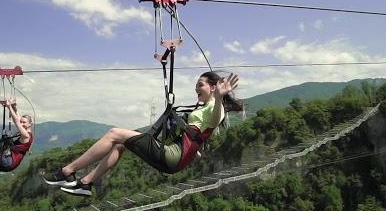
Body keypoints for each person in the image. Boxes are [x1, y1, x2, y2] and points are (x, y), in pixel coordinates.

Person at [43, 71, 241, 196]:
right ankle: (86, 183)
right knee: (121, 144)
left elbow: (215, 119)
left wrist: (218, 97)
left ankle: (66, 171)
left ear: (213, 88)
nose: (196, 88)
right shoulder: (204, 108)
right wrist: (193, 151)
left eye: (200, 84)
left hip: (172, 157)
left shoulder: (215, 107)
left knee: (114, 133)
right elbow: (197, 137)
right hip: (175, 158)